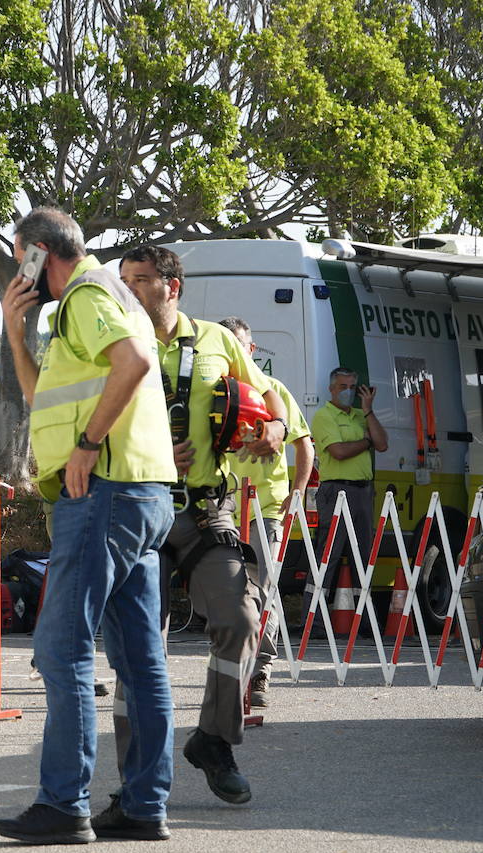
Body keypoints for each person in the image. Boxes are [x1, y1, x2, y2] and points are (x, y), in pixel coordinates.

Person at [0, 207, 176, 845]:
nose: (21, 273)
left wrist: (89, 444)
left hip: (103, 494)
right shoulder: (105, 296)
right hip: (143, 494)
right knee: (140, 659)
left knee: (61, 648)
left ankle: (63, 803)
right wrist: (17, 334)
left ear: (42, 253)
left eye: (23, 261)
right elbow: (46, 396)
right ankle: (145, 804)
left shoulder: (88, 294)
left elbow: (132, 365)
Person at [107, 245, 286, 810]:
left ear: (173, 286)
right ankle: (137, 778)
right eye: (124, 280)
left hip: (206, 510)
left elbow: (269, 396)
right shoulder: (109, 341)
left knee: (240, 617)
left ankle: (213, 741)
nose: (130, 290)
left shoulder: (217, 340)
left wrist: (276, 429)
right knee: (138, 646)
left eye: (141, 280)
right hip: (137, 506)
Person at [217, 316, 314, 708]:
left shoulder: (273, 391)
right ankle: (230, 668)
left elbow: (305, 445)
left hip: (265, 507)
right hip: (223, 504)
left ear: (252, 350)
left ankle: (261, 670)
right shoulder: (217, 394)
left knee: (263, 590)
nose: (236, 355)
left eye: (241, 347)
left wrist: (298, 491)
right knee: (229, 592)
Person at [308, 368, 388, 610]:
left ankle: (363, 622)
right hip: (336, 491)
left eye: (352, 387)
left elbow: (382, 444)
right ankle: (313, 619)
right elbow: (339, 452)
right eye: (343, 387)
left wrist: (368, 410)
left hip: (363, 491)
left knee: (362, 558)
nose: (348, 392)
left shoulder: (360, 415)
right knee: (328, 557)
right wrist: (366, 442)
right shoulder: (324, 416)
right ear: (332, 389)